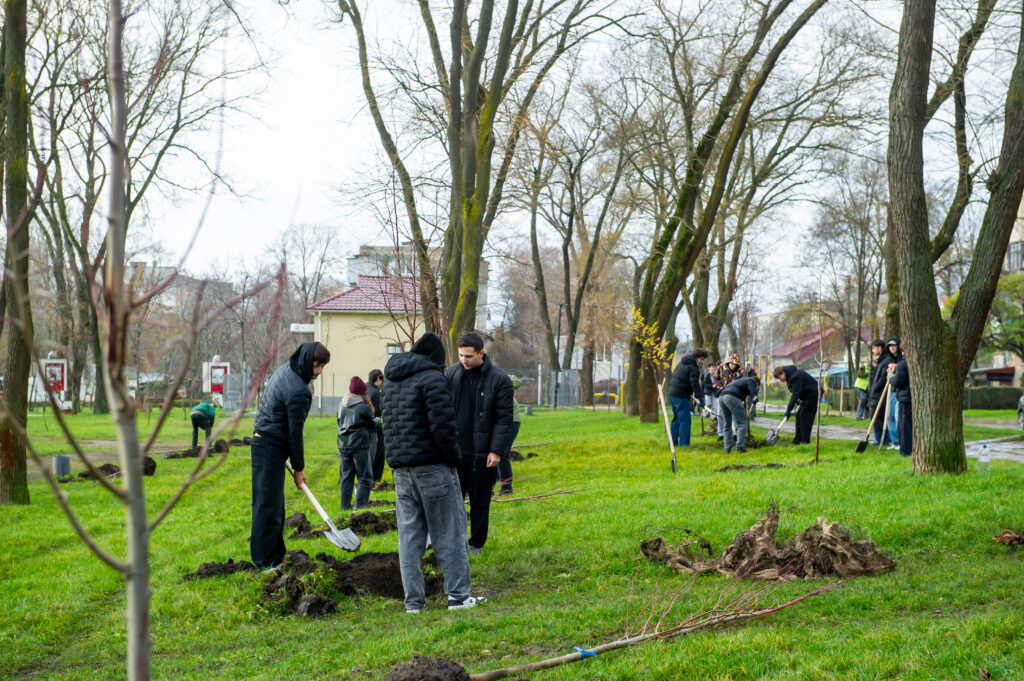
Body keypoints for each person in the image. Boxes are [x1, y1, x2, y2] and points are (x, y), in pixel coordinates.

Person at [383, 332, 483, 612]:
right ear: (435, 361)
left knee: (410, 538)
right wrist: (455, 459)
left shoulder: (390, 380)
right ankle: (459, 598)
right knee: (449, 533)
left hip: (401, 471)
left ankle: (414, 603)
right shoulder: (432, 379)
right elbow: (443, 428)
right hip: (434, 469)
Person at [250, 341, 330, 569]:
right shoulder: (298, 391)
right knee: (267, 505)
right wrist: (299, 468)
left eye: (323, 366)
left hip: (266, 440)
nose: (320, 371)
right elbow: (295, 434)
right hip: (269, 444)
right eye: (317, 365)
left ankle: (275, 556)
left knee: (273, 504)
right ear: (307, 361)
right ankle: (265, 561)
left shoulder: (288, 369)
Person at [446, 331, 514, 555]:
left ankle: (476, 544)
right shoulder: (452, 374)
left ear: (481, 353)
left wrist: (496, 450)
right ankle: (454, 543)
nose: (464, 360)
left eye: (468, 356)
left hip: (482, 453)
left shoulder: (499, 379)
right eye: (460, 355)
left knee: (480, 500)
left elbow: (504, 419)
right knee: (453, 502)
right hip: (455, 451)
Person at [338, 376, 376, 510]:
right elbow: (371, 425)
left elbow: (339, 421)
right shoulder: (363, 407)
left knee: (346, 477)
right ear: (361, 392)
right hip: (359, 445)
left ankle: (345, 507)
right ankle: (359, 508)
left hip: (343, 445)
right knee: (364, 477)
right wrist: (378, 421)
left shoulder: (341, 403)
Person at [667, 349, 708, 447]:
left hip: (672, 394)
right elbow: (695, 384)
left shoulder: (682, 362)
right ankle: (684, 444)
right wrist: (701, 398)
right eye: (701, 359)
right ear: (696, 358)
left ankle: (673, 442)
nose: (702, 362)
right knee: (685, 420)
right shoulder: (693, 368)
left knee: (676, 419)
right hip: (681, 396)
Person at [773, 365, 819, 445]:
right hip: (806, 396)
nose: (780, 380)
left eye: (780, 377)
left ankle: (805, 441)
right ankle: (797, 439)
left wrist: (788, 409)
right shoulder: (791, 376)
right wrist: (797, 401)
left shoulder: (795, 376)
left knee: (805, 417)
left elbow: (795, 394)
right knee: (798, 416)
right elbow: (798, 390)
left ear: (783, 373)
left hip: (811, 395)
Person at [719, 376, 759, 453]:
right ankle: (740, 448)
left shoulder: (738, 381)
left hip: (721, 397)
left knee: (727, 424)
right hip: (731, 397)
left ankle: (727, 450)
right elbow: (752, 388)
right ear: (757, 384)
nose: (757, 388)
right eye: (757, 387)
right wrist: (755, 395)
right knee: (742, 423)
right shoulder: (751, 380)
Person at [497, 375, 523, 496]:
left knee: (502, 453)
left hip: (511, 420)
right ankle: (492, 485)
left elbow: (517, 382)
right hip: (494, 423)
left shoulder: (496, 377)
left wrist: (498, 381)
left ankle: (506, 488)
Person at [711, 354, 745, 442]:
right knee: (721, 414)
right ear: (728, 362)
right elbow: (715, 378)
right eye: (731, 364)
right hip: (722, 393)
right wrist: (719, 386)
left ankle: (734, 433)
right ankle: (721, 434)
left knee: (734, 415)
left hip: (734, 395)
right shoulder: (721, 368)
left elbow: (742, 382)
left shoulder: (740, 371)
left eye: (734, 365)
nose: (732, 366)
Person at [866, 340, 894, 445]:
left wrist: (874, 389)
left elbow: (882, 378)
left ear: (880, 348)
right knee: (877, 416)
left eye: (874, 348)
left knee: (877, 416)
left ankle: (884, 439)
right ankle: (880, 439)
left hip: (881, 394)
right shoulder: (881, 360)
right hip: (876, 393)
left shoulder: (886, 360)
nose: (873, 350)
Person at [888, 349, 912, 457]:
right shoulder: (913, 362)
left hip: (904, 398)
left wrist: (891, 378)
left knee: (904, 426)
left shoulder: (903, 363)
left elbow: (898, 382)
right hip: (910, 398)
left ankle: (905, 451)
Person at [367, 369, 387, 482]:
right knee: (378, 452)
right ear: (378, 379)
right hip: (375, 427)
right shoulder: (375, 393)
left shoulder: (365, 388)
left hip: (364, 427)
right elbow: (379, 411)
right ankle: (376, 477)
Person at [884, 337, 903, 450]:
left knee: (897, 416)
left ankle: (901, 442)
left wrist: (896, 367)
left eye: (894, 345)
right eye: (890, 346)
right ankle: (894, 442)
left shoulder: (902, 358)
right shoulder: (888, 359)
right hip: (890, 391)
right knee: (889, 416)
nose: (892, 348)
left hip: (899, 392)